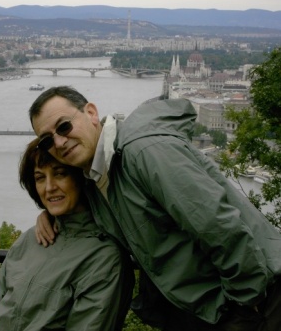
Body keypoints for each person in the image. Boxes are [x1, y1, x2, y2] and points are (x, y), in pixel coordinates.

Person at [29, 85, 281, 331]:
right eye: (47, 140)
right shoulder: (96, 179)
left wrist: (245, 303)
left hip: (257, 304)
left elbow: (218, 224)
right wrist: (52, 216)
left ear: (92, 113)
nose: (59, 142)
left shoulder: (143, 151)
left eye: (64, 126)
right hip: (209, 310)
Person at [0, 137, 133, 331]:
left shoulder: (104, 257)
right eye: (40, 178)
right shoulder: (29, 240)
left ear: (81, 178)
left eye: (60, 174)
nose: (49, 187)